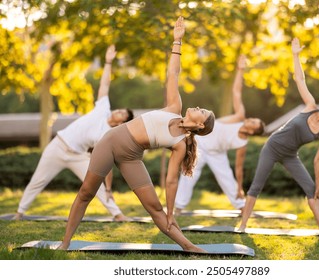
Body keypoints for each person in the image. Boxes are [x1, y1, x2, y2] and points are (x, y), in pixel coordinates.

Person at [58, 16, 215, 252]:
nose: (198, 107)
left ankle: (188, 247)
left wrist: (171, 211)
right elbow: (173, 74)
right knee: (86, 193)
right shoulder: (174, 107)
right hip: (110, 143)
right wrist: (177, 42)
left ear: (201, 125)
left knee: (155, 208)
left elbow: (171, 180)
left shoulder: (181, 144)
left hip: (131, 157)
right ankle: (65, 243)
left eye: (202, 111)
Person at [238, 37, 319, 233]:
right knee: (256, 185)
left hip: (290, 155)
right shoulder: (310, 106)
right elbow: (300, 79)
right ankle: (243, 225)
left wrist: (318, 186)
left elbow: (318, 160)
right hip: (272, 147)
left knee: (311, 189)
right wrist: (295, 55)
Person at [14, 45, 134, 222]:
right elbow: (105, 84)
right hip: (58, 146)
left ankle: (117, 214)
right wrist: (108, 62)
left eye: (122, 114)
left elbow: (106, 165)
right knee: (37, 181)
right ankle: (19, 213)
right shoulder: (103, 108)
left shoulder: (108, 135)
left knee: (96, 184)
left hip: (78, 156)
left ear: (122, 122)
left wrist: (109, 188)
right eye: (120, 110)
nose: (118, 111)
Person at [175, 54, 265, 215]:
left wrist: (239, 188)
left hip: (218, 154)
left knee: (227, 179)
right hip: (201, 145)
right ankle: (178, 208)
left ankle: (242, 206)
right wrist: (240, 69)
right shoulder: (238, 118)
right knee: (188, 174)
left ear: (252, 131)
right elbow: (236, 92)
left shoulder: (242, 143)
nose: (249, 120)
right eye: (252, 119)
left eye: (253, 123)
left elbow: (238, 168)